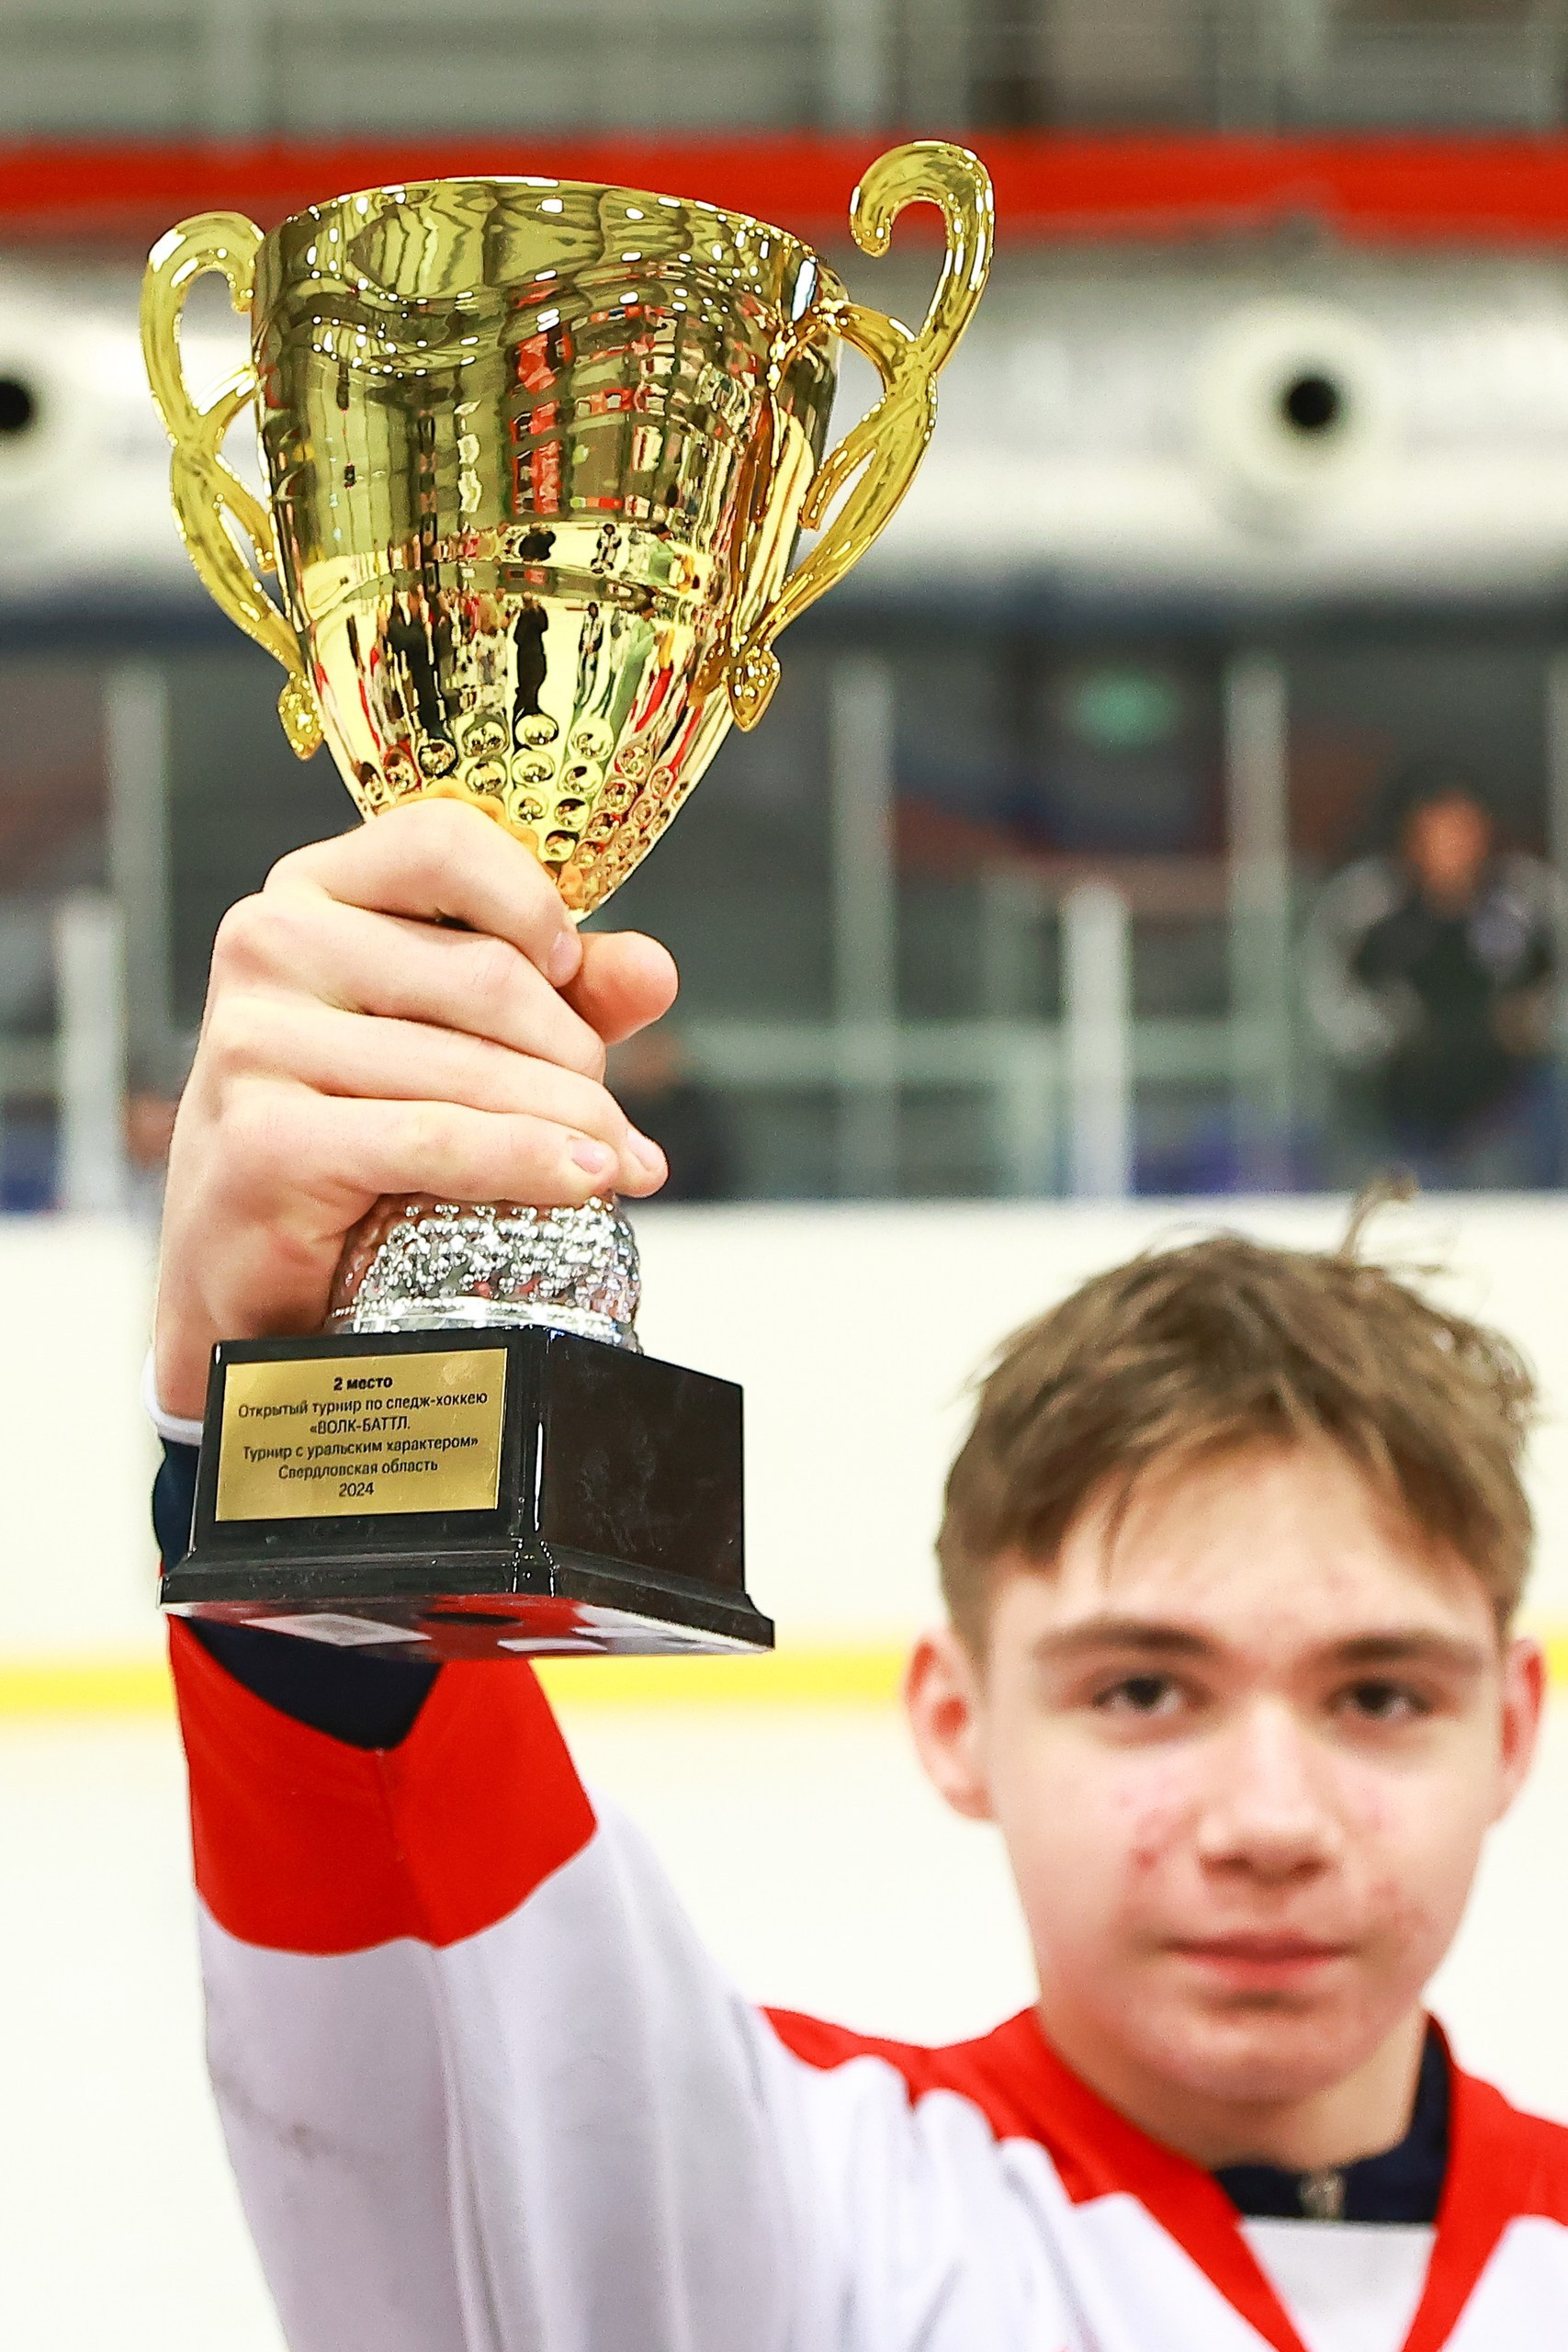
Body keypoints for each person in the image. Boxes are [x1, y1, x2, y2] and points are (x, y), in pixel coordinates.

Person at [149, 800, 1568, 2352]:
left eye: (1376, 1692)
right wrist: (286, 1414)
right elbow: (452, 2040)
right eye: (1143, 1687)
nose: (1269, 1826)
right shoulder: (789, 2209)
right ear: (953, 1718)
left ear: (1507, 1727)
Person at [1306, 763, 1562, 1188]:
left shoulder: (1524, 898)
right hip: (1390, 1112)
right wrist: (1379, 1032)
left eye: (1463, 831)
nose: (1452, 846)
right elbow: (1324, 984)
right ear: (1410, 838)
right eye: (1437, 832)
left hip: (1501, 1112)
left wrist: (1533, 1021)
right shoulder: (1368, 901)